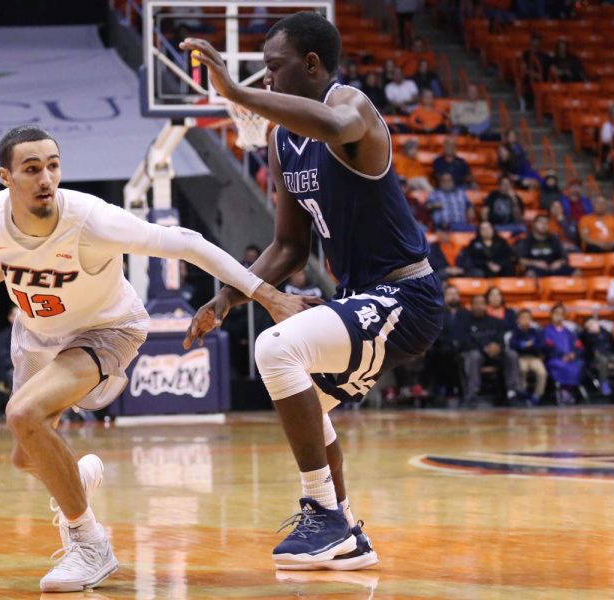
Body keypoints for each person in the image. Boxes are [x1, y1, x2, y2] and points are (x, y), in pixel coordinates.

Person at [0, 124, 301, 591]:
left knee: (23, 413)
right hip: (36, 336)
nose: (45, 178)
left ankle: (91, 545)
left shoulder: (90, 220)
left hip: (105, 330)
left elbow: (186, 241)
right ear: (6, 177)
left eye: (53, 166)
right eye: (31, 169)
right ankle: (76, 480)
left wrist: (266, 294)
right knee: (26, 457)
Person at [181, 11, 443, 572]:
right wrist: (226, 298)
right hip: (362, 299)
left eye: (274, 68)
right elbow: (287, 247)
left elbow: (334, 126)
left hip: (406, 297)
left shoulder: (353, 108)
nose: (267, 80)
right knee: (306, 400)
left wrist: (232, 90)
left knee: (277, 349)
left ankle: (321, 511)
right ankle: (345, 531)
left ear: (312, 64)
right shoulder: (282, 141)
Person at [459, 295, 521, 404]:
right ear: (471, 306)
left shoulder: (495, 321)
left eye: (482, 303)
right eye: (476, 304)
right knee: (474, 356)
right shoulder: (465, 322)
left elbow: (501, 339)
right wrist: (485, 348)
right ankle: (473, 392)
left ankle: (512, 392)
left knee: (511, 354)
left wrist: (497, 346)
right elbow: (465, 341)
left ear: (486, 306)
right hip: (477, 353)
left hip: (495, 353)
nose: (479, 306)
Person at [542, 303, 584, 405]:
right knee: (560, 365)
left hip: (570, 358)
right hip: (555, 358)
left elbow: (578, 346)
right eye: (556, 313)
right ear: (551, 315)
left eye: (561, 313)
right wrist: (562, 356)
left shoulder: (569, 332)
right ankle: (564, 391)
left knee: (579, 364)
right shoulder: (546, 331)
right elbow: (548, 346)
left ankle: (571, 390)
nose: (559, 316)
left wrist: (574, 354)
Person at [508, 309, 546, 405]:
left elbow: (540, 345)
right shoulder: (515, 332)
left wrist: (526, 346)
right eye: (523, 318)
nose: (525, 320)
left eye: (528, 318)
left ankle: (537, 395)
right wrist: (525, 345)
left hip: (534, 358)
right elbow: (512, 345)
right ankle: (522, 392)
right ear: (518, 320)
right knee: (522, 370)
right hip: (521, 357)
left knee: (542, 372)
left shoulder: (535, 331)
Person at [581, 318, 614, 398]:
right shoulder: (586, 335)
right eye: (589, 325)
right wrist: (590, 333)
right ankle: (604, 382)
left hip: (610, 352)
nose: (592, 326)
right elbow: (587, 347)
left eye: (593, 323)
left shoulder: (605, 332)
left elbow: (613, 343)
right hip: (597, 355)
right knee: (603, 361)